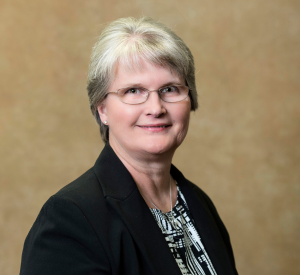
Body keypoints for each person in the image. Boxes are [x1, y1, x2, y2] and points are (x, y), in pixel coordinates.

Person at [20, 17, 238, 275]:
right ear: (102, 109)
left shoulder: (198, 203)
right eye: (134, 91)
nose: (156, 108)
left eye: (169, 89)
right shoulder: (70, 219)